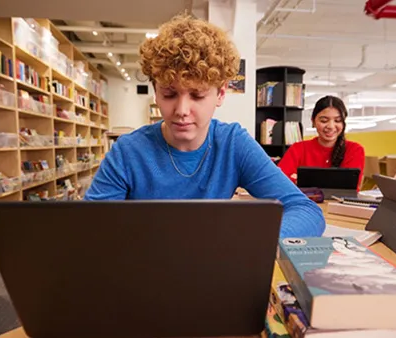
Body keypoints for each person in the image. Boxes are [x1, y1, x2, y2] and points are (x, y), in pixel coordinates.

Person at [84, 14, 325, 238]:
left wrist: (253, 243)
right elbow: (88, 227)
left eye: (197, 95)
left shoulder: (233, 144)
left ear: (220, 94)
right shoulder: (128, 152)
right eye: (169, 94)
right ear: (155, 92)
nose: (181, 110)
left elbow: (305, 210)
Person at [277, 95, 365, 191]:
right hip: (302, 203)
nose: (331, 126)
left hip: (338, 205)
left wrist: (301, 181)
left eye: (337, 120)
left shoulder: (354, 150)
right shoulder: (298, 148)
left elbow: (349, 189)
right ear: (313, 121)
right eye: (324, 120)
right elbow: (280, 181)